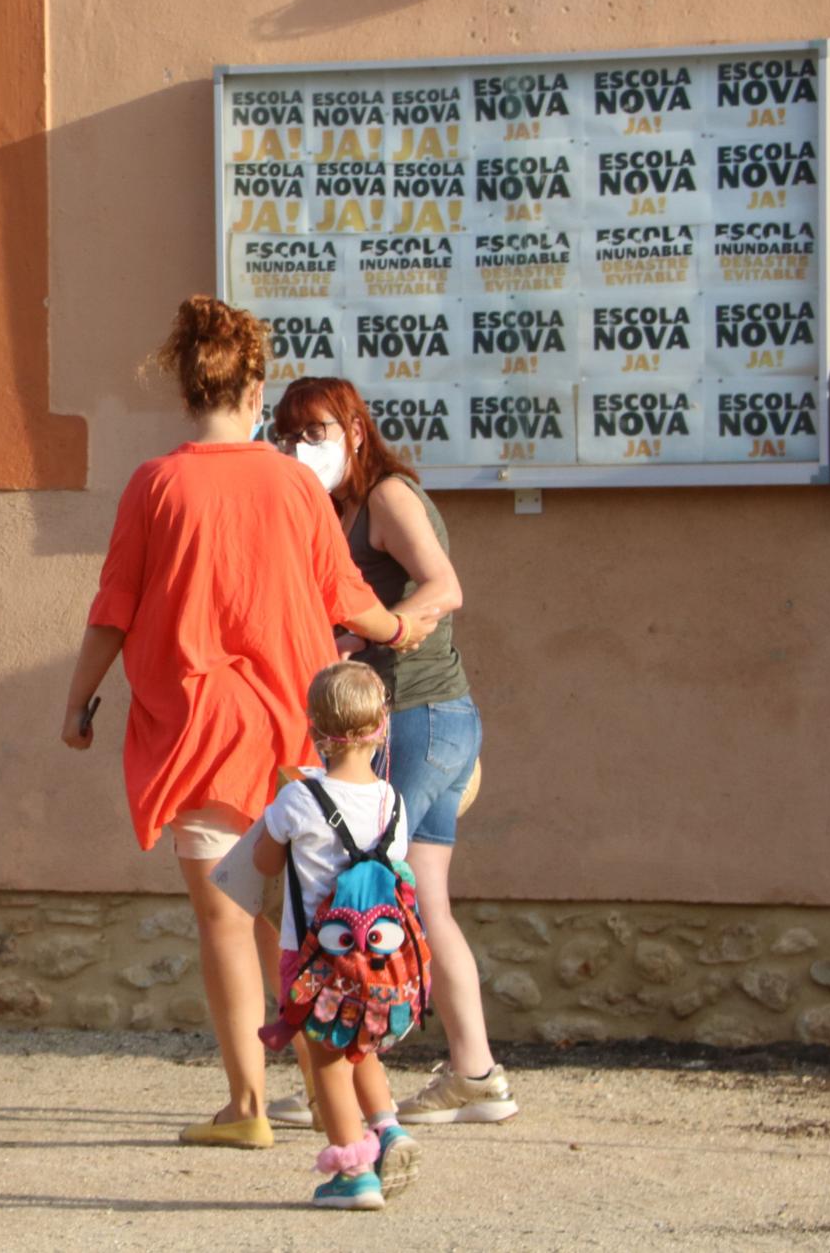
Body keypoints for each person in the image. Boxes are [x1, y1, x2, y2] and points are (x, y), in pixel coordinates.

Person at [61, 296, 437, 1149]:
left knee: (226, 919)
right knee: (296, 915)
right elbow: (350, 598)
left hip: (194, 726)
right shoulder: (292, 483)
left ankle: (247, 1106)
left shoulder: (156, 485)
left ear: (187, 388)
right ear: (257, 387)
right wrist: (404, 625)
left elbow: (112, 611)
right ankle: (326, 1083)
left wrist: (79, 700)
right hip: (293, 729)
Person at [270, 376, 516, 1125]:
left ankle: (341, 1088)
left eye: (313, 430)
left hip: (414, 714)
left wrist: (378, 633)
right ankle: (475, 1075)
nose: (298, 446)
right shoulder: (336, 507)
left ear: (353, 428)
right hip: (427, 717)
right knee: (421, 898)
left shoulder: (386, 496)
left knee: (355, 889)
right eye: (285, 433)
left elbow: (445, 587)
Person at [253, 661, 421, 1210]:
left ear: (316, 729)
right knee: (360, 1040)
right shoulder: (393, 801)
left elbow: (259, 862)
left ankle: (353, 1171)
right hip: (380, 958)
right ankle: (388, 1129)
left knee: (325, 1054)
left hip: (313, 960)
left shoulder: (299, 799)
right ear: (382, 727)